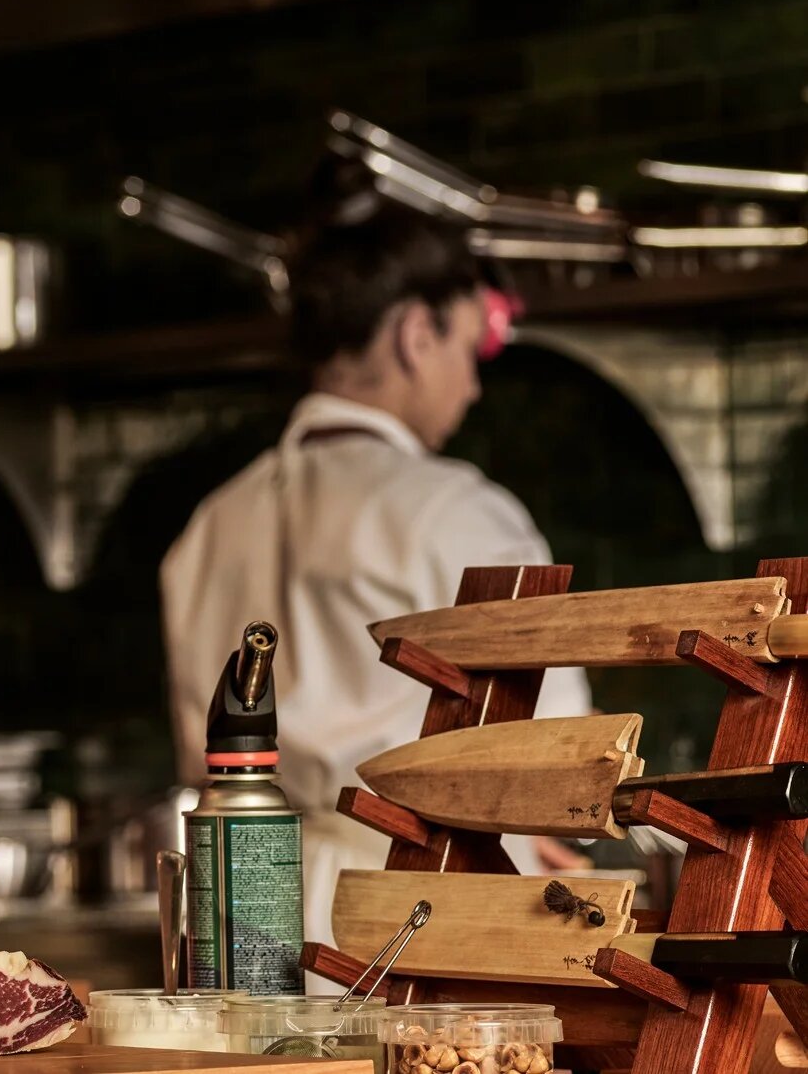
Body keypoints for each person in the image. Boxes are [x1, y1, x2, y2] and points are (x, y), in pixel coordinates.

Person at [160, 204, 592, 953]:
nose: (472, 387)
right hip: (416, 918)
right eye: (467, 345)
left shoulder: (208, 526)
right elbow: (564, 764)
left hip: (241, 918)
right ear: (415, 335)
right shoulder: (457, 512)